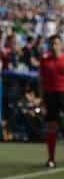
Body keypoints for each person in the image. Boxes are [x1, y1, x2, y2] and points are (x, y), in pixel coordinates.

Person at [40, 35, 64, 168]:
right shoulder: (45, 61)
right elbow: (41, 80)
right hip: (50, 95)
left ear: (61, 45)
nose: (54, 46)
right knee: (51, 127)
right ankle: (51, 159)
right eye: (52, 44)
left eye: (56, 43)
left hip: (63, 93)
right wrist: (41, 97)